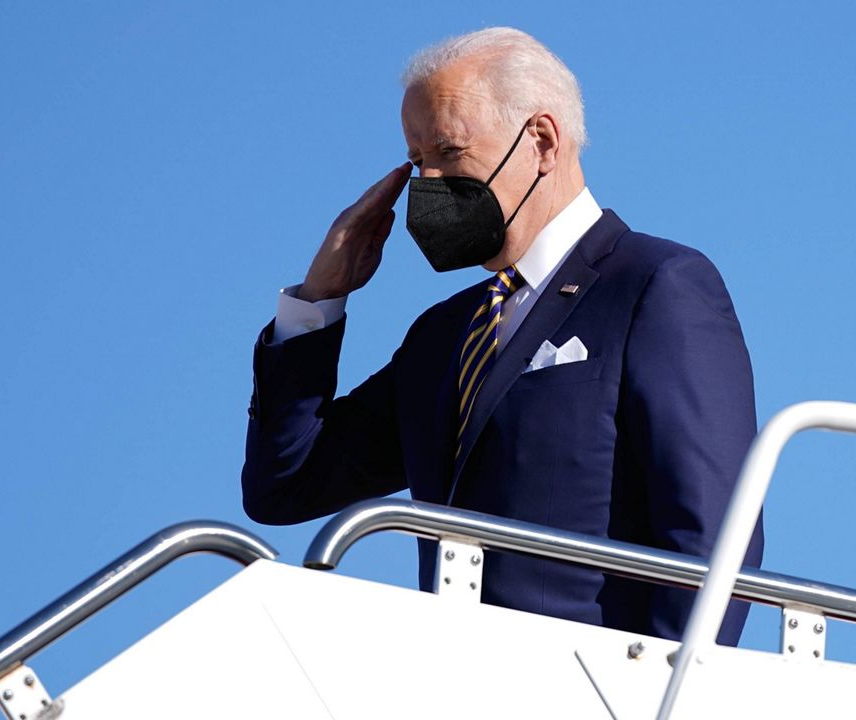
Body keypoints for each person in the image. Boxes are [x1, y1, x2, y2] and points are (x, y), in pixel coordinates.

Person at [242, 27, 764, 645]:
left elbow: (713, 533)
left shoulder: (654, 285)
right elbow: (286, 485)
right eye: (416, 162)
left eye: (448, 152)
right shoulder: (442, 337)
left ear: (541, 141)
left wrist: (667, 696)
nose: (427, 182)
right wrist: (319, 300)